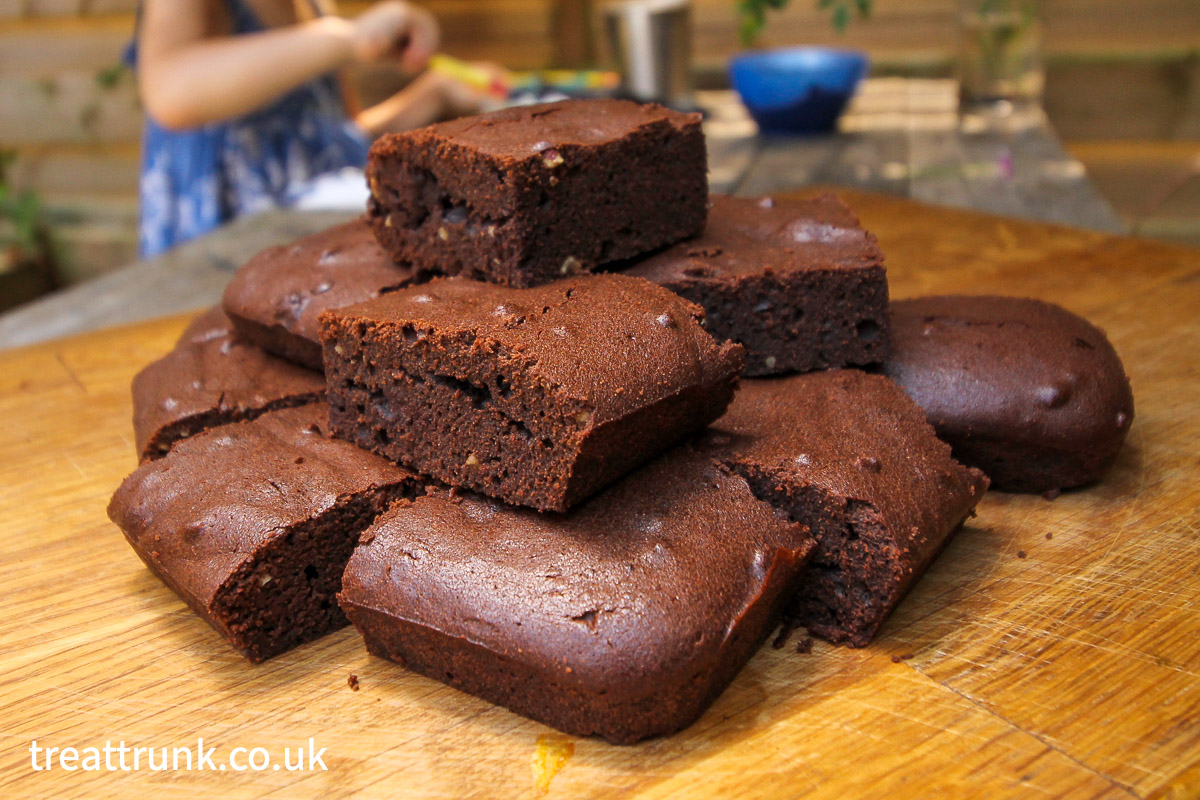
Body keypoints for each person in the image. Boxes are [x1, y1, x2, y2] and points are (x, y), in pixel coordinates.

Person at [132, 0, 494, 257]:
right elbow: (169, 88)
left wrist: (432, 95)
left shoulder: (314, 5)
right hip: (218, 255)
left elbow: (341, 138)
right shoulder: (329, 32)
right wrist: (345, 39)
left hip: (316, 246)